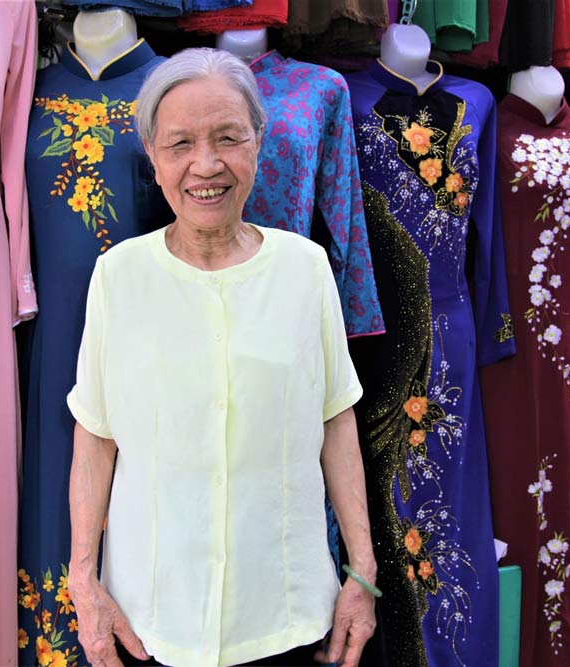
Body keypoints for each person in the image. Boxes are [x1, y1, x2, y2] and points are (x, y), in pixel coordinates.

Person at [65, 48, 379, 667]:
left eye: (228, 138)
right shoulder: (119, 277)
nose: (205, 165)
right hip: (151, 620)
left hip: (285, 619)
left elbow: (336, 423)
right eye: (179, 143)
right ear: (152, 156)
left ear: (259, 142)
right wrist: (83, 581)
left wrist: (361, 575)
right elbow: (95, 437)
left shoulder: (305, 269)